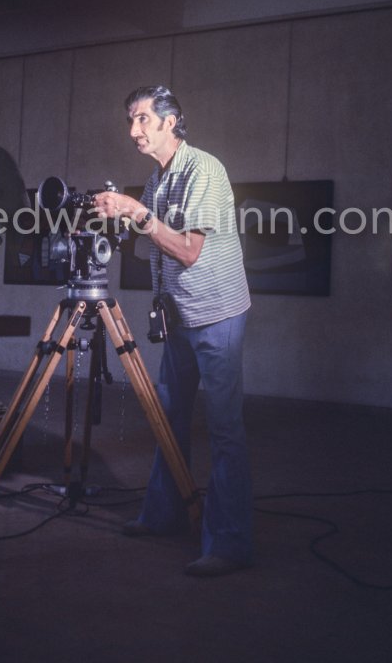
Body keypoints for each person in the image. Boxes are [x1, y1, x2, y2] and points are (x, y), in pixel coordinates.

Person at [94, 85, 253, 577]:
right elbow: (149, 246)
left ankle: (229, 543)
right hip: (179, 314)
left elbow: (187, 251)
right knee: (168, 417)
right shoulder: (158, 178)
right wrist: (114, 220)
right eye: (130, 119)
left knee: (224, 428)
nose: (133, 130)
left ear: (170, 121)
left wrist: (135, 212)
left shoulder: (203, 169)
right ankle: (164, 514)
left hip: (217, 312)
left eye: (142, 118)